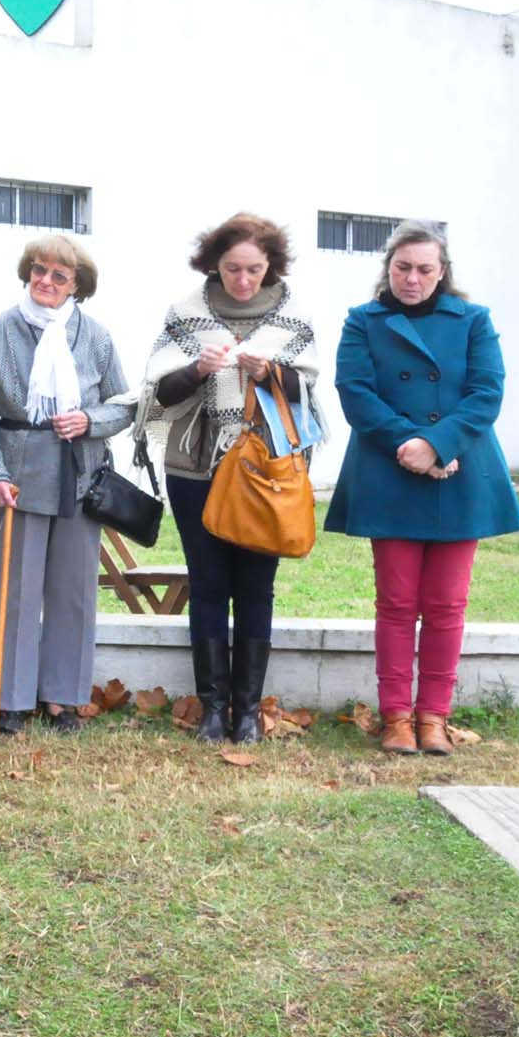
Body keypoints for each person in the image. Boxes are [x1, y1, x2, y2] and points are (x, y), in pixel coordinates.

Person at [324, 221, 519, 756]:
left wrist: (437, 444)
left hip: (461, 468)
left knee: (446, 604)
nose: (412, 279)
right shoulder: (363, 321)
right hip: (390, 468)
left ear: (443, 272)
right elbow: (356, 393)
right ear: (388, 268)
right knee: (395, 602)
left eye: (424, 269)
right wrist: (409, 446)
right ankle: (395, 718)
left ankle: (433, 717)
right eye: (402, 268)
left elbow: (487, 392)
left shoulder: (474, 320)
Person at [136, 213, 323, 745]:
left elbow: (308, 392)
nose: (243, 280)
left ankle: (247, 710)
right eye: (233, 269)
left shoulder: (295, 319)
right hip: (196, 468)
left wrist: (272, 374)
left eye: (254, 270)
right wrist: (197, 369)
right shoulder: (185, 314)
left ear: (271, 266)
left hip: (265, 472)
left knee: (257, 589)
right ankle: (214, 709)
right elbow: (157, 396)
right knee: (210, 587)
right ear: (214, 265)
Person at [0, 236, 131, 735]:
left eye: (59, 276)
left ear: (77, 285)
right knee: (16, 592)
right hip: (20, 478)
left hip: (80, 477)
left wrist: (88, 420)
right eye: (39, 270)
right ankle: (11, 700)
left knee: (74, 591)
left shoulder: (97, 337)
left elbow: (124, 405)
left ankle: (62, 699)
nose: (46, 281)